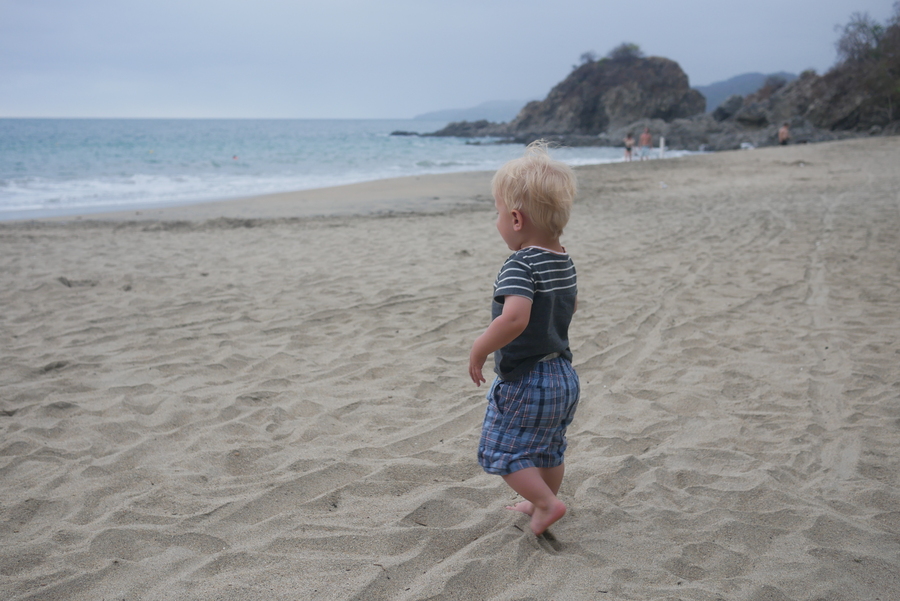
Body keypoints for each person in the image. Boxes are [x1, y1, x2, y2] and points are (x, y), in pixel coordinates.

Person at [468, 140, 580, 536]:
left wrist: (480, 347)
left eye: (497, 213)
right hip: (563, 374)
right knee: (549, 445)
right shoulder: (562, 258)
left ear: (516, 219)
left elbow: (514, 318)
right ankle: (539, 500)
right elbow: (571, 305)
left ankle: (547, 504)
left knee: (501, 449)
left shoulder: (520, 263)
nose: (496, 220)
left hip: (527, 378)